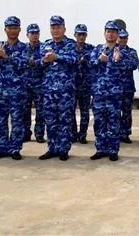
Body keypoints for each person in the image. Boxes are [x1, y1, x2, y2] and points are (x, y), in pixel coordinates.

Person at [0, 16, 28, 161]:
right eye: (9, 28)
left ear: (19, 30)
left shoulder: (25, 47)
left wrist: (7, 56)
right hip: (0, 91)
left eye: (15, 27)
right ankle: (1, 148)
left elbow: (24, 64)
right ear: (5, 29)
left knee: (17, 122)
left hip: (17, 91)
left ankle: (15, 149)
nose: (12, 30)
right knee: (0, 121)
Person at [37, 15, 77, 161]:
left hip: (65, 90)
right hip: (48, 90)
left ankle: (63, 149)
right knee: (50, 120)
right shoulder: (45, 45)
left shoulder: (71, 44)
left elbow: (73, 60)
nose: (55, 30)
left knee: (65, 120)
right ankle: (52, 148)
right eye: (53, 27)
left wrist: (57, 57)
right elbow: (39, 65)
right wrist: (44, 60)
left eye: (58, 27)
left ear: (64, 29)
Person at [88, 21, 125, 161]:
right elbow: (90, 65)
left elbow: (131, 66)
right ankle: (100, 149)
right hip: (99, 93)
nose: (111, 34)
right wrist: (99, 60)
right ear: (104, 33)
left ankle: (113, 150)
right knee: (99, 122)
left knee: (114, 122)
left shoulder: (122, 50)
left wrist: (118, 60)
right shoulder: (97, 49)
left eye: (114, 32)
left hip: (114, 94)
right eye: (108, 31)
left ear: (117, 34)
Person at [23, 23, 46, 143]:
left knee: (40, 111)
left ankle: (39, 134)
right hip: (26, 84)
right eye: (32, 33)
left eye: (37, 33)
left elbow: (46, 62)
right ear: (27, 35)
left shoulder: (44, 48)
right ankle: (26, 134)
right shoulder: (23, 48)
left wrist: (35, 62)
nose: (35, 35)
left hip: (39, 84)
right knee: (25, 110)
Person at [72, 24, 94, 144]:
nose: (81, 36)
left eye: (83, 34)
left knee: (85, 112)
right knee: (71, 111)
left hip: (85, 85)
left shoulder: (91, 49)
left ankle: (82, 135)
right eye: (79, 34)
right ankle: (73, 134)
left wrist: (86, 62)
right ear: (75, 35)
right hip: (72, 85)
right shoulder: (70, 48)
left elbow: (95, 64)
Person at [117, 29, 139, 144]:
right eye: (121, 38)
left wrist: (119, 61)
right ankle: (115, 133)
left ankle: (125, 133)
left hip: (128, 87)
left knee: (126, 112)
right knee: (114, 112)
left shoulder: (132, 52)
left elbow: (134, 65)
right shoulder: (112, 50)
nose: (123, 40)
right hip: (114, 87)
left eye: (125, 38)